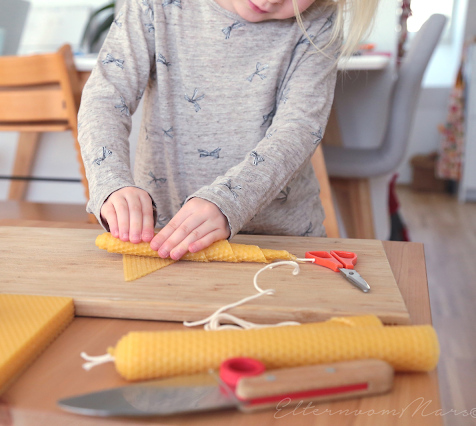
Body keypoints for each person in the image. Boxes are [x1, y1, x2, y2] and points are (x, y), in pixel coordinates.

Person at [77, 0, 379, 260]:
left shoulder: (320, 22)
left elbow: (298, 130)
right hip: (168, 238)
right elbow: (105, 97)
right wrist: (111, 182)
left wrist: (229, 201)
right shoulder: (154, 5)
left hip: (282, 242)